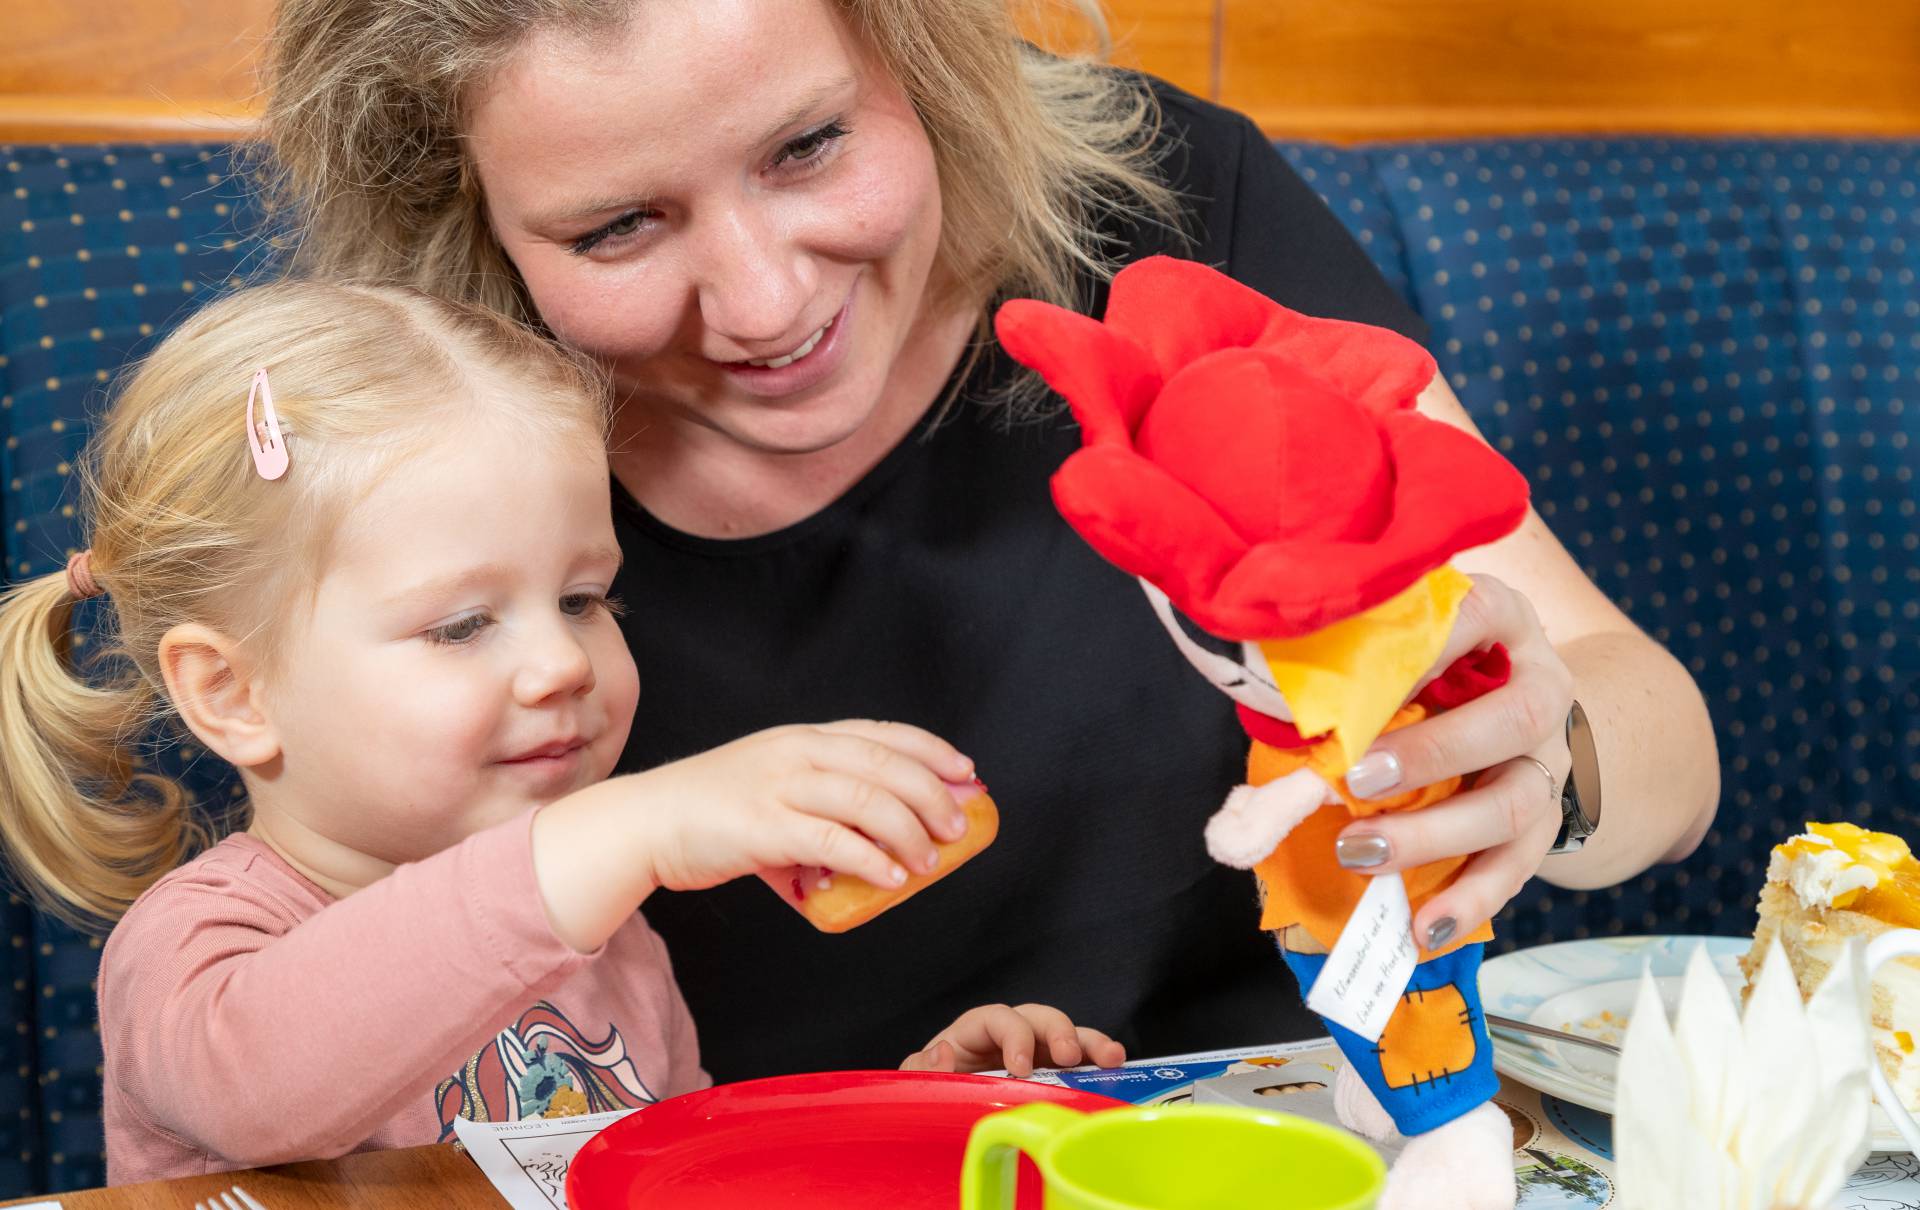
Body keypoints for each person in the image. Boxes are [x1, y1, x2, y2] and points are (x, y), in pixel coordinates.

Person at [257, 0, 1720, 1082]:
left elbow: (1654, 728)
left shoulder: (1166, 215)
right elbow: (293, 1038)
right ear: (470, 224)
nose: (765, 304)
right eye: (619, 229)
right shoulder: (414, 460)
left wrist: (1552, 763)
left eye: (811, 145)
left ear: (924, 53)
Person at [0, 281, 1121, 1184]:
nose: (561, 663)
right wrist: (619, 830)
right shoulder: (197, 944)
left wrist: (929, 1112)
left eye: (586, 598)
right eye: (461, 624)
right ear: (234, 694)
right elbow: (259, 1090)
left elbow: (678, 1177)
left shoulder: (607, 941)